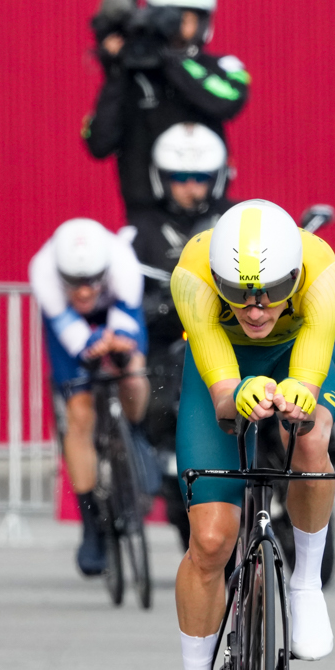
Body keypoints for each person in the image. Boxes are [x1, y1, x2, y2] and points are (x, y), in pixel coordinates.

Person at [162, 199, 335, 670]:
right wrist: (233, 393)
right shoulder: (191, 276)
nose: (257, 307)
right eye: (239, 293)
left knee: (312, 436)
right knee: (212, 541)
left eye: (271, 290)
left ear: (294, 276)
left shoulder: (324, 275)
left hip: (298, 361)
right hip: (218, 368)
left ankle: (306, 581)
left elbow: (312, 372)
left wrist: (300, 393)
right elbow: (220, 395)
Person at [127, 123, 235, 547]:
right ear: (161, 178)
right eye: (179, 177)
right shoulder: (142, 230)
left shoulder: (238, 218)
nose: (190, 186)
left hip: (232, 337)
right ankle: (165, 466)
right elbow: (124, 289)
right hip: (171, 344)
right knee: (155, 394)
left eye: (200, 177)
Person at [28, 218, 150, 577]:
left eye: (90, 282)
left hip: (114, 307)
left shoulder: (124, 263)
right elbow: (74, 339)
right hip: (67, 325)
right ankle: (91, 526)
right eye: (74, 283)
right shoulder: (43, 271)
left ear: (105, 270)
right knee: (79, 413)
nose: (82, 292)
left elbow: (128, 321)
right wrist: (94, 346)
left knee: (133, 370)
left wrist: (121, 349)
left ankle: (135, 430)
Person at [83, 0, 250, 214]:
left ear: (204, 22)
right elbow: (98, 142)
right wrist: (116, 70)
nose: (173, 27)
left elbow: (228, 100)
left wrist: (169, 58)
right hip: (146, 220)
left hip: (210, 215)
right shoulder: (133, 75)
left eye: (185, 19)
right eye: (167, 18)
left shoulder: (222, 67)